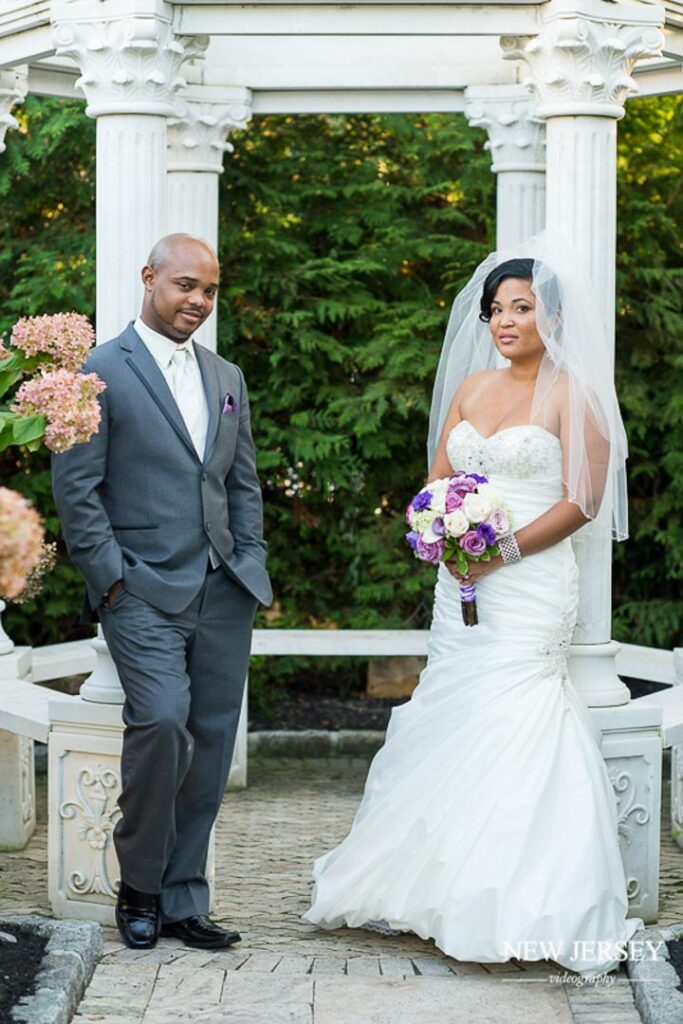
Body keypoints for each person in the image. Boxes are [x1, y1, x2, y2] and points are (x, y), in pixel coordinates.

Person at [303, 230, 642, 978]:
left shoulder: (571, 393)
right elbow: (436, 479)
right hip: (457, 579)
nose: (503, 322)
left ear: (550, 318)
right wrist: (436, 529)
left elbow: (583, 501)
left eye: (519, 308)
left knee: (515, 714)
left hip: (526, 578)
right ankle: (432, 889)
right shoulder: (469, 389)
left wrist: (503, 549)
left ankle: (517, 901)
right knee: (449, 709)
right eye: (494, 310)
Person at [52, 233, 272, 951]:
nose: (197, 302)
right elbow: (78, 493)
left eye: (208, 290)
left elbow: (241, 484)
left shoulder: (227, 375)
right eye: (184, 286)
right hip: (139, 590)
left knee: (209, 746)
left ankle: (183, 900)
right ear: (148, 279)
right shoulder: (97, 370)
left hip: (222, 591)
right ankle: (139, 887)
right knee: (164, 723)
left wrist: (249, 561)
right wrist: (111, 578)